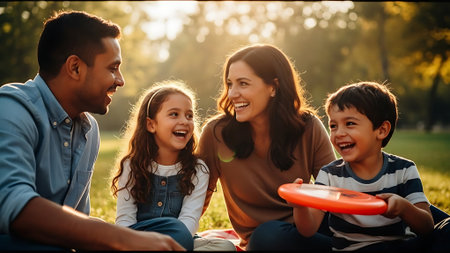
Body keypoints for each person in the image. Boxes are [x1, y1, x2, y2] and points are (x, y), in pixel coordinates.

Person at [0, 11, 184, 251]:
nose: (120, 80)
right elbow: (14, 208)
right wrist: (123, 240)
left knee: (174, 231)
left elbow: (77, 219)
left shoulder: (88, 130)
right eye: (113, 68)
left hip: (61, 242)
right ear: (75, 67)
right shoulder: (11, 109)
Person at [197, 43, 337, 251]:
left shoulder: (308, 127)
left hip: (310, 229)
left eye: (243, 84)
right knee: (267, 235)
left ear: (273, 87)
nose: (232, 94)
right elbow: (197, 196)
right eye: (230, 84)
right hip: (266, 240)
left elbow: (334, 190)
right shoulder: (216, 133)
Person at [291, 81, 450, 252]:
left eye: (350, 123)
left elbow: (427, 226)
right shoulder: (330, 175)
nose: (339, 133)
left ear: (381, 130)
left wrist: (404, 208)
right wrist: (299, 205)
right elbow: (308, 230)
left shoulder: (404, 170)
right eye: (333, 126)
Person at [111, 80, 236, 251]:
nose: (185, 121)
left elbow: (188, 223)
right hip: (138, 239)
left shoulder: (198, 169)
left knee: (224, 247)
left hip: (180, 240)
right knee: (101, 232)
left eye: (189, 115)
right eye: (174, 114)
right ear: (151, 124)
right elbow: (125, 221)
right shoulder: (131, 165)